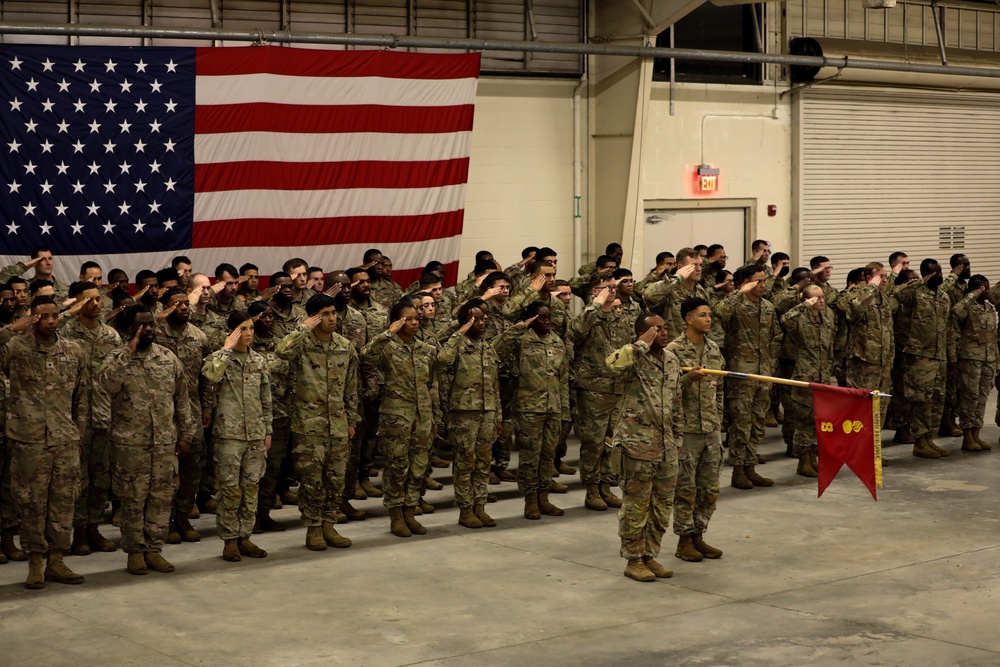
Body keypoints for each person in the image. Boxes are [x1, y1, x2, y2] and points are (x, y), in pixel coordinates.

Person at [2, 296, 89, 589]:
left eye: (54, 315)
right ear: (32, 317)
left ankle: (57, 561)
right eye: (43, 316)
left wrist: (78, 433)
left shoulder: (73, 350)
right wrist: (12, 329)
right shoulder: (15, 347)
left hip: (65, 438)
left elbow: (82, 397)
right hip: (29, 439)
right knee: (31, 503)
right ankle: (35, 563)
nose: (50, 321)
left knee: (64, 502)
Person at [99, 305, 192, 576]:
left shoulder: (167, 358)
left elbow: (182, 399)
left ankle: (154, 550)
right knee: (132, 500)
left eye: (151, 324)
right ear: (130, 328)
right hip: (131, 446)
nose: (149, 329)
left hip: (164, 443)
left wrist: (186, 434)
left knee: (162, 499)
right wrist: (128, 350)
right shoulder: (116, 358)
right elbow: (107, 385)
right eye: (143, 325)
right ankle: (135, 552)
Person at [277, 294, 360, 550]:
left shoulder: (345, 346)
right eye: (325, 314)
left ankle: (329, 525)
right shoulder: (302, 344)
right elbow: (281, 351)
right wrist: (304, 328)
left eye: (333, 313)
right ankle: (313, 528)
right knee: (312, 480)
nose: (332, 318)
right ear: (314, 317)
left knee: (335, 479)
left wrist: (351, 420)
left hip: (338, 424)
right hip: (309, 425)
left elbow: (351, 387)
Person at [604, 313, 680, 582]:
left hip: (666, 445)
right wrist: (639, 345)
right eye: (656, 329)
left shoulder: (671, 359)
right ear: (644, 333)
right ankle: (633, 559)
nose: (663, 332)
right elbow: (611, 364)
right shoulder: (634, 358)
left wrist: (678, 438)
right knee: (636, 506)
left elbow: (675, 400)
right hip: (636, 444)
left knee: (661, 506)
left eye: (665, 327)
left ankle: (650, 555)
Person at [362, 301, 440, 537]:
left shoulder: (425, 349)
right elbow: (366, 356)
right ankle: (396, 515)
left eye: (416, 318)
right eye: (408, 319)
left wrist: (434, 415)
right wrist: (388, 333)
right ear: (396, 321)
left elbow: (432, 384)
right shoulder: (387, 347)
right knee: (397, 466)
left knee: (418, 468)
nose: (414, 322)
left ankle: (410, 512)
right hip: (397, 416)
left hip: (422, 416)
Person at [202, 311, 272, 561]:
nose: (249, 333)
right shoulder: (220, 358)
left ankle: (245, 537)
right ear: (232, 332)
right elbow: (210, 375)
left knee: (251, 489)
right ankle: (230, 540)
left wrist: (268, 430)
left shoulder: (259, 361)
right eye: (243, 329)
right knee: (230, 491)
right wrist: (225, 349)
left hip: (255, 434)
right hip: (229, 435)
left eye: (251, 328)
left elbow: (266, 398)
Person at [494, 302, 569, 520]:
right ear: (531, 319)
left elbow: (562, 377)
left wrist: (563, 409)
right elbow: (496, 347)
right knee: (530, 456)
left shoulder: (557, 341)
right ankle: (530, 501)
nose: (547, 322)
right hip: (529, 408)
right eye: (542, 318)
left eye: (549, 317)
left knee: (547, 455)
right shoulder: (521, 339)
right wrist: (519, 327)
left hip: (553, 407)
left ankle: (544, 498)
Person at [62, 281, 121, 556]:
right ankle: (78, 532)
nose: (97, 304)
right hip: (74, 418)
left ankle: (94, 528)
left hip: (105, 415)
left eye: (99, 299)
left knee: (101, 477)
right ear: (76, 304)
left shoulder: (111, 336)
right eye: (89, 300)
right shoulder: (65, 332)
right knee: (78, 479)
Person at [667, 298, 726, 563]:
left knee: (710, 487)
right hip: (686, 430)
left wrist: (718, 420)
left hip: (710, 429)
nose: (709, 319)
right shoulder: (673, 350)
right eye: (703, 315)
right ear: (689, 319)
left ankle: (699, 534)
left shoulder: (714, 349)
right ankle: (684, 539)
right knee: (686, 488)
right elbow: (662, 389)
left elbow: (719, 389)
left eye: (710, 315)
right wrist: (686, 379)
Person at [715, 267, 782, 489]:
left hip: (762, 372)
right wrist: (739, 292)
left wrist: (770, 371)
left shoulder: (768, 307)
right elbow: (720, 313)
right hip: (741, 372)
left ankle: (750, 466)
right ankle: (737, 469)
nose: (763, 285)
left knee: (758, 422)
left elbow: (774, 339)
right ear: (746, 283)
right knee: (741, 423)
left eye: (764, 281)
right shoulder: (736, 304)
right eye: (758, 282)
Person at [154, 288, 212, 543]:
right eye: (176, 304)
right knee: (164, 470)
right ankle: (163, 522)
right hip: (159, 413)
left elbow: (208, 377)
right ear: (165, 307)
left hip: (191, 411)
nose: (184, 307)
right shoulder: (152, 333)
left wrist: (208, 407)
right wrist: (156, 319)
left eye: (185, 303)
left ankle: (182, 517)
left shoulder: (199, 337)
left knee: (192, 467)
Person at [437, 299, 502, 528]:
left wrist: (498, 415)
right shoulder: (457, 344)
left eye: (485, 318)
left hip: (488, 410)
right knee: (465, 461)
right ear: (465, 322)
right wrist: (458, 332)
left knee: (484, 461)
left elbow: (494, 384)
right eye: (476, 319)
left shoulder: (487, 345)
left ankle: (479, 506)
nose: (483, 322)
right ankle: (466, 509)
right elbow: (443, 359)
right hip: (464, 412)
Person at [568, 278, 629, 511]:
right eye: (608, 288)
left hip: (617, 388)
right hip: (593, 388)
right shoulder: (588, 316)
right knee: (593, 442)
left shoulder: (619, 318)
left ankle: (606, 486)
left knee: (612, 442)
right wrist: (595, 304)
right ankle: (591, 489)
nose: (613, 291)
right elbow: (576, 332)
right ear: (595, 292)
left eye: (615, 288)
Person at [893, 259, 953, 459]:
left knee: (937, 400)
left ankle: (929, 438)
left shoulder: (944, 297)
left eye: (939, 271)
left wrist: (950, 356)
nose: (938, 275)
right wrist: (919, 282)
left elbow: (947, 327)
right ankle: (919, 441)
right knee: (921, 400)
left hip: (940, 355)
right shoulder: (915, 293)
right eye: (932, 273)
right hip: (920, 356)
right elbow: (897, 293)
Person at [247, 300, 294, 532]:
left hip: (280, 415)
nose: (267, 319)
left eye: (269, 316)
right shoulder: (245, 345)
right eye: (261, 316)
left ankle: (264, 512)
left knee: (273, 467)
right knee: (252, 469)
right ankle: (249, 516)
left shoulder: (280, 345)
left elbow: (291, 377)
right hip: (252, 418)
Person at [781, 286, 836, 477]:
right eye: (816, 298)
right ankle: (803, 459)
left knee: (818, 419)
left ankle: (813, 456)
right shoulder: (800, 318)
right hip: (805, 374)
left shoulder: (827, 318)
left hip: (823, 375)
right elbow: (785, 320)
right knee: (804, 419)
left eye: (822, 297)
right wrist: (803, 306)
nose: (821, 300)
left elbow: (830, 347)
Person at [842, 263, 897, 432]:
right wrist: (871, 289)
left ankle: (874, 453)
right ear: (869, 278)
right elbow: (854, 311)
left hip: (883, 362)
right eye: (881, 276)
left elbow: (888, 330)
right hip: (864, 361)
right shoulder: (856, 293)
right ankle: (858, 452)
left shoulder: (884, 298)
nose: (885, 280)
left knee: (880, 407)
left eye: (886, 276)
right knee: (861, 407)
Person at [952, 275, 997, 452]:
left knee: (982, 397)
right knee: (969, 396)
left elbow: (992, 337)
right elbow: (956, 312)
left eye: (988, 287)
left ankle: (976, 433)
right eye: (984, 288)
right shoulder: (967, 306)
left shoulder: (989, 308)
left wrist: (997, 361)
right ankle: (967, 435)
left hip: (989, 359)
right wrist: (972, 295)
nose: (987, 291)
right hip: (971, 358)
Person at [643, 248, 708, 340]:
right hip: (672, 348)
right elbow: (649, 295)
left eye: (700, 265)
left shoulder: (701, 291)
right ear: (680, 268)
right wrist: (678, 277)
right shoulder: (668, 289)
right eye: (693, 265)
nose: (699, 269)